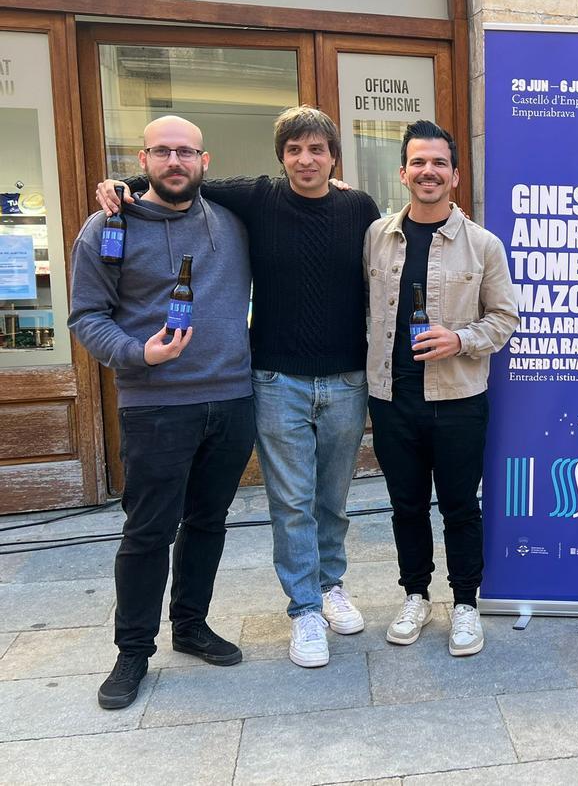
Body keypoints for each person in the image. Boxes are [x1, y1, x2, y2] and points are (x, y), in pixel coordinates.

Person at [97, 106, 380, 669]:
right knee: (291, 501)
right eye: (294, 150)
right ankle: (304, 609)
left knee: (332, 499)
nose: (306, 160)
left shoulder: (360, 207)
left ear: (333, 157)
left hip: (348, 378)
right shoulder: (257, 197)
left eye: (317, 150)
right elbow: (179, 177)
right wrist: (120, 184)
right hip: (274, 378)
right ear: (281, 157)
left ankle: (330, 585)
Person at [70, 116, 254, 709]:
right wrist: (136, 353)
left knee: (208, 522)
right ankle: (132, 651)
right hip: (155, 405)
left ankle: (191, 625)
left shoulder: (233, 221)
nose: (175, 162)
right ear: (143, 159)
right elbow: (86, 316)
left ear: (204, 161)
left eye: (186, 152)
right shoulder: (108, 227)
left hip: (232, 400)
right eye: (162, 151)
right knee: (148, 531)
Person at [364, 120, 518, 657]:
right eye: (418, 162)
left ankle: (466, 603)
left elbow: (505, 319)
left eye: (439, 163)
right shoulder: (376, 236)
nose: (428, 171)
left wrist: (459, 339)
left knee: (459, 507)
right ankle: (415, 596)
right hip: (391, 400)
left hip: (458, 400)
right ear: (403, 172)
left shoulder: (483, 245)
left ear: (454, 175)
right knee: (405, 506)